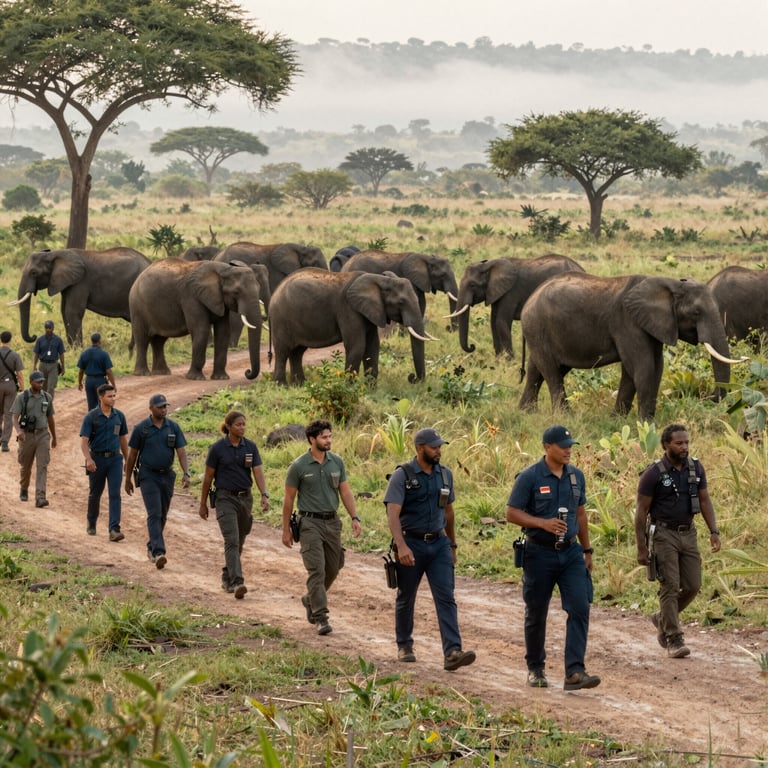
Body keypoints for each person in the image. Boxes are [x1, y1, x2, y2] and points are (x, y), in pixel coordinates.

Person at [506, 425, 600, 691]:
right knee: (537, 612)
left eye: (571, 446)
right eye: (563, 446)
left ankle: (575, 671)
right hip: (539, 552)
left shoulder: (576, 476)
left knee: (580, 606)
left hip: (571, 552)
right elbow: (511, 513)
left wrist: (587, 550)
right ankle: (535, 668)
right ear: (548, 447)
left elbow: (580, 514)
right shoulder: (530, 477)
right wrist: (542, 523)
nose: (569, 450)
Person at [384, 427, 476, 671]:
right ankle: (405, 645)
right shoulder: (402, 475)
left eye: (439, 447)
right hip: (411, 543)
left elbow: (449, 512)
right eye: (434, 447)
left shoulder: (445, 475)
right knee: (406, 596)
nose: (438, 451)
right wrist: (401, 546)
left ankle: (452, 652)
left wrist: (452, 544)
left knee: (446, 597)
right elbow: (392, 514)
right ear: (419, 448)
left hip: (439, 544)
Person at [634, 423, 721, 658]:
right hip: (663, 534)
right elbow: (641, 512)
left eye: (686, 442)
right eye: (679, 443)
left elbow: (704, 500)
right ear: (666, 445)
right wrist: (641, 547)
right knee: (670, 586)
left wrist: (714, 531)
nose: (684, 447)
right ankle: (673, 638)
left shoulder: (696, 468)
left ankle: (662, 617)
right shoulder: (653, 473)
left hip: (689, 533)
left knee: (693, 585)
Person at [281, 419, 361, 636]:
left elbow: (345, 491)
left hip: (332, 523)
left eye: (329, 436)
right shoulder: (298, 466)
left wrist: (355, 517)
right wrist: (286, 529)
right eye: (324, 437)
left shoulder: (337, 462)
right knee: (316, 569)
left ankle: (310, 598)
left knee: (333, 568)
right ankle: (321, 616)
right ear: (312, 439)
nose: (328, 440)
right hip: (309, 523)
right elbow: (289, 499)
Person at [199, 411, 269, 599]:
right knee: (232, 540)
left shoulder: (250, 447)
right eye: (238, 425)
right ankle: (237, 581)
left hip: (245, 499)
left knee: (240, 539)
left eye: (243, 424)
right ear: (228, 427)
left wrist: (264, 494)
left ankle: (227, 574)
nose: (242, 428)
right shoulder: (217, 449)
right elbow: (208, 477)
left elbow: (258, 471)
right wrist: (203, 503)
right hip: (225, 499)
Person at [125, 393, 190, 569]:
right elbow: (132, 455)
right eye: (160, 407)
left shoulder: (173, 427)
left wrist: (186, 473)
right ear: (151, 408)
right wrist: (128, 478)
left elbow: (181, 452)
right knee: (154, 513)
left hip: (167, 476)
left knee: (163, 514)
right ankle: (159, 552)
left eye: (165, 406)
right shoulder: (141, 428)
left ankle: (151, 545)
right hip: (148, 476)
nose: (163, 409)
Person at [79, 383, 128, 541]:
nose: (113, 399)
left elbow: (123, 440)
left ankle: (114, 529)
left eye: (114, 395)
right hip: (97, 460)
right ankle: (91, 521)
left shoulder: (119, 417)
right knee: (95, 493)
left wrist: (127, 460)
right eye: (110, 396)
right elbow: (84, 442)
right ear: (101, 398)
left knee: (115, 494)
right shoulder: (91, 417)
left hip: (115, 460)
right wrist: (88, 459)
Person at [11, 370, 56, 506]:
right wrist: (19, 431)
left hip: (43, 435)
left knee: (42, 466)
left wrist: (54, 437)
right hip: (27, 436)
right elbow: (14, 417)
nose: (41, 384)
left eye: (42, 382)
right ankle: (24, 488)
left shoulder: (47, 397)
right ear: (31, 382)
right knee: (25, 466)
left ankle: (40, 497)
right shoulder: (22, 397)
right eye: (38, 382)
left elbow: (50, 418)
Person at [76, 332, 115, 410]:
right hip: (100, 381)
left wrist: (80, 383)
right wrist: (113, 385)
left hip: (89, 381)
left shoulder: (84, 353)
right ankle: (102, 417)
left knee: (91, 404)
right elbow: (109, 371)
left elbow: (81, 371)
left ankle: (92, 417)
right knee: (103, 403)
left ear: (91, 340)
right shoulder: (104, 354)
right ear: (100, 340)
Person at [1, 330, 24, 453]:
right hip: (10, 386)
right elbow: (19, 374)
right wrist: (22, 388)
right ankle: (4, 442)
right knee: (8, 414)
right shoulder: (15, 355)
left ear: (0, 340)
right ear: (10, 340)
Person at [33, 320, 66, 399]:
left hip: (53, 365)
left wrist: (63, 366)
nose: (48, 329)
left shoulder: (58, 340)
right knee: (42, 385)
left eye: (49, 328)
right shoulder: (40, 340)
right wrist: (34, 365)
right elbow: (36, 353)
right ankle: (42, 401)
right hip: (42, 365)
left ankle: (49, 403)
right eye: (46, 328)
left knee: (51, 386)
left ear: (53, 328)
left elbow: (61, 354)